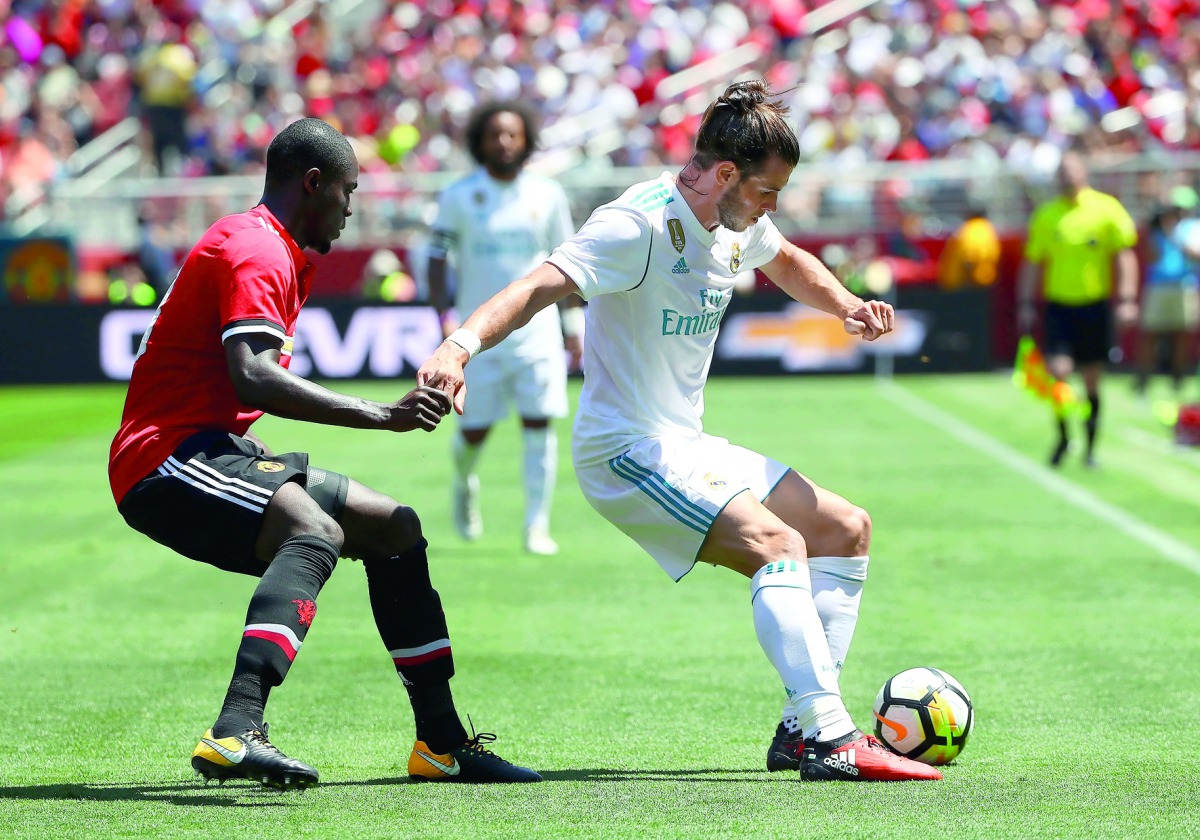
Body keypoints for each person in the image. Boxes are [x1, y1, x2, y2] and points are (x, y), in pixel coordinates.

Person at [418, 81, 942, 783]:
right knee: (779, 546)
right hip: (624, 451)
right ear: (726, 174)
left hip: (685, 444)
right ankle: (829, 736)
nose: (771, 207)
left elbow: (784, 258)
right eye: (767, 192)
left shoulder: (737, 219)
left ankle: (797, 730)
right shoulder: (636, 224)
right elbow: (537, 287)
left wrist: (845, 305)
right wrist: (457, 348)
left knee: (846, 528)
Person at [108, 118, 540, 790]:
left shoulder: (266, 245)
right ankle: (236, 729)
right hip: (162, 460)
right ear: (313, 184)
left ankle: (442, 744)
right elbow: (253, 373)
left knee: (394, 528)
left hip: (210, 447)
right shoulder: (258, 250)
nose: (350, 208)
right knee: (316, 530)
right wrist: (381, 416)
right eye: (347, 191)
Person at [426, 100, 581, 556]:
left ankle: (537, 526)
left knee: (540, 425)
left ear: (526, 140)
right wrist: (444, 317)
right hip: (479, 338)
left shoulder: (547, 195)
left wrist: (572, 326)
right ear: (480, 141)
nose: (504, 142)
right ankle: (464, 481)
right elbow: (437, 260)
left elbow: (568, 266)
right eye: (495, 134)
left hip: (538, 334)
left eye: (512, 134)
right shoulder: (458, 196)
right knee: (473, 431)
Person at [1018, 150, 1139, 468]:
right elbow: (1033, 261)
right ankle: (1062, 436)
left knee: (1092, 379)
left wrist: (1126, 299)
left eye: (1071, 170)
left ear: (1084, 172)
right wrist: (1026, 303)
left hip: (1094, 306)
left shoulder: (1106, 209)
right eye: (1061, 172)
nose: (1066, 177)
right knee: (1058, 372)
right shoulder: (1047, 215)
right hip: (1059, 307)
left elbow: (1125, 254)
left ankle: (1091, 448)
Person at [1134, 187, 1200, 397]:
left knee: (1181, 336)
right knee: (1150, 335)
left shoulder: (1193, 228)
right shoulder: (1158, 229)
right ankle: (1143, 382)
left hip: (1183, 286)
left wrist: (1176, 236)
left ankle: (1177, 381)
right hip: (1157, 287)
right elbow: (1151, 258)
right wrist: (1158, 229)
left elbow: (1194, 255)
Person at [937, 205, 1001, 291]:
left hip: (961, 281)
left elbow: (969, 258)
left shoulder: (970, 229)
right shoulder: (987, 229)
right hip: (981, 279)